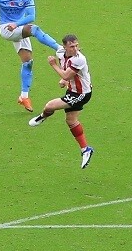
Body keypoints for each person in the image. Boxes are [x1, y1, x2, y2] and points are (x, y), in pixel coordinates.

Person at [28, 35, 94, 169]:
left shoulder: (79, 59)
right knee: (71, 121)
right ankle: (85, 149)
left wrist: (54, 65)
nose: (75, 49)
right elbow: (68, 73)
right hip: (73, 91)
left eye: (76, 45)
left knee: (50, 106)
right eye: (72, 46)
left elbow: (66, 74)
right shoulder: (60, 52)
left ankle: (42, 117)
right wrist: (65, 81)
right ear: (65, 47)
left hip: (81, 94)